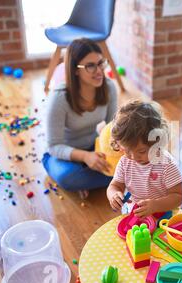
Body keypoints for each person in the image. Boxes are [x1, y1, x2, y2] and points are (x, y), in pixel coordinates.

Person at [42, 38, 118, 199]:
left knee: (131, 161)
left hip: (93, 145)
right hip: (62, 154)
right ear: (75, 70)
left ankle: (97, 178)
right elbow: (54, 146)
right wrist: (85, 157)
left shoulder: (109, 87)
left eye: (100, 63)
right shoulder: (59, 98)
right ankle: (118, 178)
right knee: (68, 178)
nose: (99, 71)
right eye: (90, 66)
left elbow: (114, 127)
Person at [106, 101, 182, 219]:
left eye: (141, 151)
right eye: (127, 151)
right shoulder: (124, 162)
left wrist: (156, 205)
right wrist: (113, 195)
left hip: (164, 214)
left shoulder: (166, 164)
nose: (133, 157)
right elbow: (115, 186)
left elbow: (178, 196)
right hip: (136, 213)